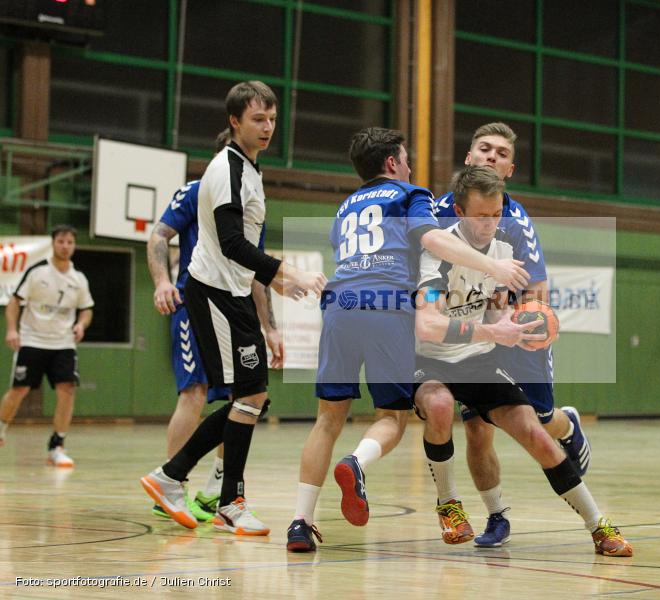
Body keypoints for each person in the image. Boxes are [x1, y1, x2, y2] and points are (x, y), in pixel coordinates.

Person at [286, 127, 530, 552]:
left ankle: (299, 523)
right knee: (391, 418)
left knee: (326, 420)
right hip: (387, 307)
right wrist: (493, 269)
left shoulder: (345, 206)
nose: (412, 166)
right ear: (392, 164)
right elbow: (434, 239)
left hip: (340, 304)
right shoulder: (409, 194)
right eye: (406, 158)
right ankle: (356, 463)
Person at [413, 166, 632, 556]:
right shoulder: (436, 252)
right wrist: (494, 333)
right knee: (442, 405)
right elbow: (428, 325)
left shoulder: (503, 250)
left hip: (477, 362)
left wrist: (524, 328)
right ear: (460, 212)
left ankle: (598, 525)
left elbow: (495, 313)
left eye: (497, 214)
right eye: (481, 216)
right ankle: (449, 504)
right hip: (431, 362)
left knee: (535, 432)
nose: (490, 223)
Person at [141, 80, 326, 536]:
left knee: (252, 397)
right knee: (245, 395)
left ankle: (188, 482)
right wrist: (290, 272)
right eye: (257, 119)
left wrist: (274, 284)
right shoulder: (228, 170)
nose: (267, 127)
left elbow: (243, 253)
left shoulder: (249, 170)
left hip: (235, 294)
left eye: (272, 119)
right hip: (213, 294)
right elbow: (230, 243)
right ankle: (207, 491)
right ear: (234, 121)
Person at [433, 122, 590, 547]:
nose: (491, 157)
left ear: (511, 168)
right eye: (484, 149)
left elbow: (538, 290)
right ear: (468, 158)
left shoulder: (516, 220)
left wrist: (522, 323)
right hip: (473, 337)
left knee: (537, 421)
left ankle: (567, 424)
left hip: (515, 333)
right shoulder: (438, 211)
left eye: (501, 153)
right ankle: (497, 515)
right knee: (476, 427)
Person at [146, 132, 283, 521]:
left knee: (248, 397)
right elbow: (158, 236)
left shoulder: (252, 199)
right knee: (195, 391)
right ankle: (170, 487)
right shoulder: (199, 189)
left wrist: (270, 326)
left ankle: (216, 488)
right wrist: (161, 282)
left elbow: (255, 266)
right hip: (197, 300)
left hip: (234, 304)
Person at [0, 225, 94, 467]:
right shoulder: (37, 272)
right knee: (19, 390)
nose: (65, 246)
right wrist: (12, 330)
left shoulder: (79, 279)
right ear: (53, 244)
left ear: (74, 246)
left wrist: (81, 325)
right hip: (32, 340)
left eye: (70, 242)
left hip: (63, 344)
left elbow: (86, 309)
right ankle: (1, 428)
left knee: (67, 389)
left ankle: (57, 445)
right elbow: (14, 301)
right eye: (61, 241)